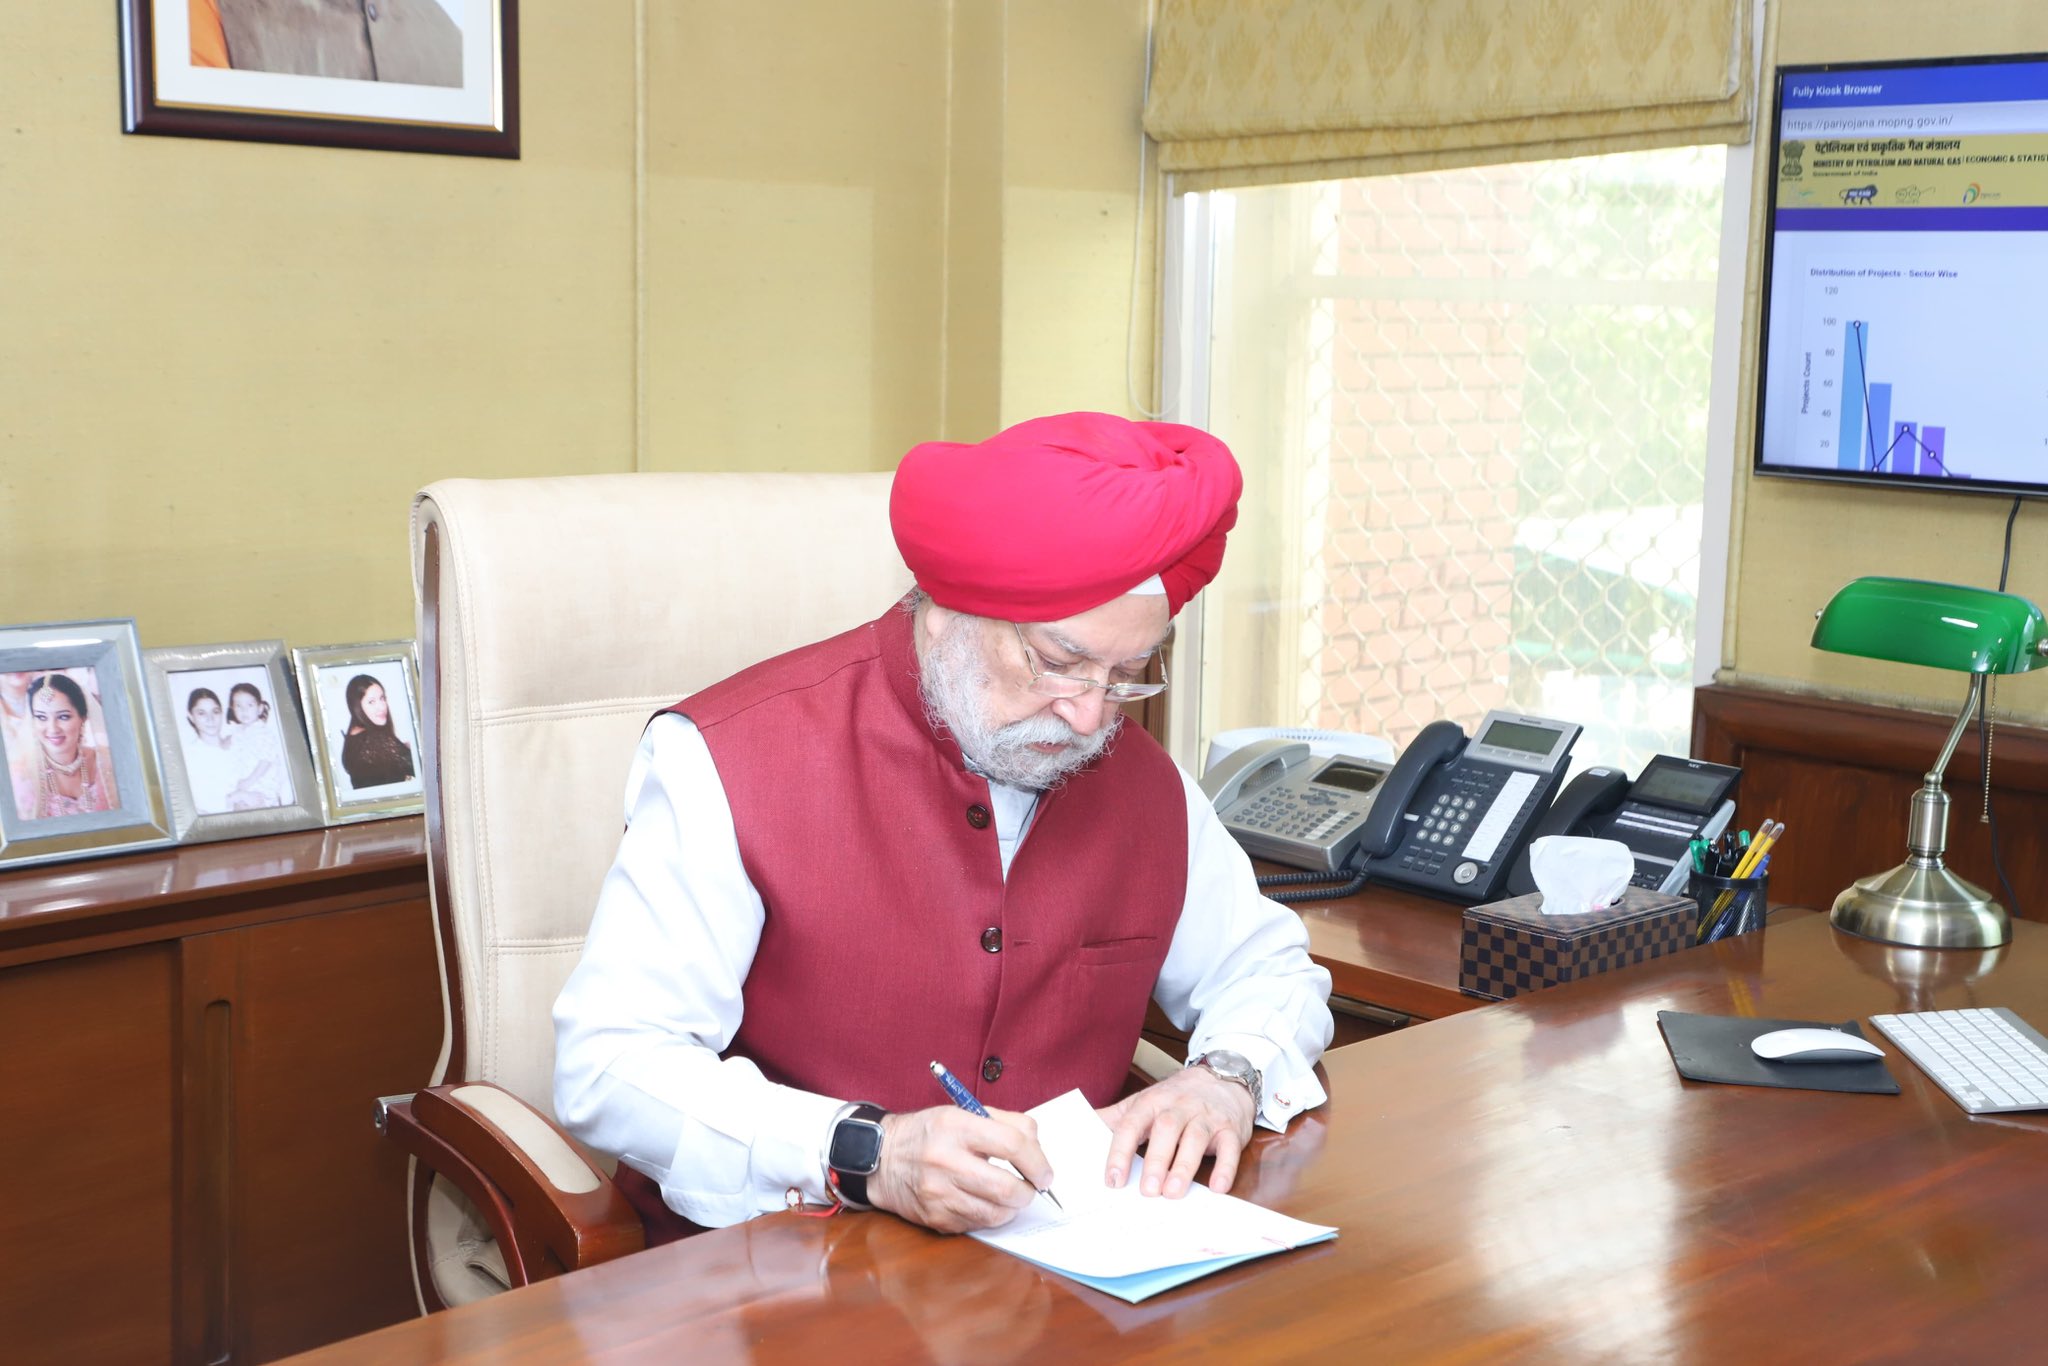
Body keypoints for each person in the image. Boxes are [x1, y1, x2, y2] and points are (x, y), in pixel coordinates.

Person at [554, 411, 1334, 1236]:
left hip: (1066, 1271)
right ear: (947, 613)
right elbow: (609, 1064)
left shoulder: (1140, 781)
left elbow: (1268, 970)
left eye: (1125, 675)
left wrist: (1226, 1076)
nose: (1088, 716)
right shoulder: (726, 759)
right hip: (781, 1263)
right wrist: (869, 1151)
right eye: (1058, 664)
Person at [11, 673, 120, 820]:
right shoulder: (21, 777)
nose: (52, 729)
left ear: (83, 718)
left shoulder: (107, 762)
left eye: (63, 717)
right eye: (41, 717)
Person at [223, 682, 293, 810]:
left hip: (260, 783)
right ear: (232, 709)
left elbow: (266, 761)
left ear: (260, 708)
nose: (244, 710)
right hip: (243, 785)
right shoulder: (237, 731)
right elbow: (227, 747)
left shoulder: (262, 732)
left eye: (250, 705)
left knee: (252, 806)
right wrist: (226, 741)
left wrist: (249, 781)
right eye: (238, 706)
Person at [339, 675, 415, 790]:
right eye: (371, 702)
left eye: (382, 698)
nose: (382, 707)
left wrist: (402, 747)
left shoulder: (353, 735)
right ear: (356, 706)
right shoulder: (374, 740)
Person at [181, 687, 242, 815]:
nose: (210, 718)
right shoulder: (189, 756)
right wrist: (238, 797)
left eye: (215, 711)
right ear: (191, 717)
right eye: (201, 713)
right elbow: (198, 804)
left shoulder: (238, 743)